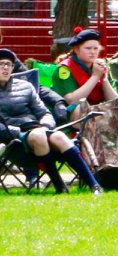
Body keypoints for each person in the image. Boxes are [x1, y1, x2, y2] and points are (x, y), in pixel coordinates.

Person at [0, 47, 101, 193]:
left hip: (37, 128)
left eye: (8, 64)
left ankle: (94, 185)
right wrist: (17, 131)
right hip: (12, 135)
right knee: (39, 135)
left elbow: (43, 112)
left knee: (60, 136)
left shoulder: (25, 86)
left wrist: (46, 124)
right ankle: (59, 185)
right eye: (1, 64)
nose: (5, 68)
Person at [50, 29, 118, 110]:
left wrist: (104, 79)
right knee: (79, 108)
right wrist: (95, 76)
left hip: (95, 109)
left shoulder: (100, 66)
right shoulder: (65, 68)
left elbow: (115, 102)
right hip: (69, 113)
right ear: (76, 50)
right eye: (88, 48)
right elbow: (71, 101)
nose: (92, 52)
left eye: (96, 48)